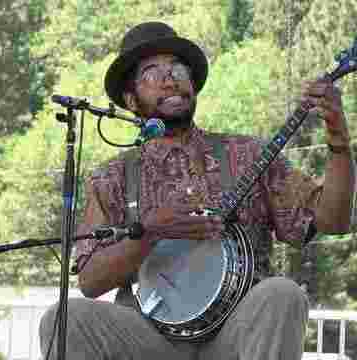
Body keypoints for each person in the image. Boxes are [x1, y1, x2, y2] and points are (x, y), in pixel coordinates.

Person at [39, 21, 355, 360]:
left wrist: (339, 141)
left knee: (283, 293)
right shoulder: (112, 177)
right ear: (131, 99)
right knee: (63, 319)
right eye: (151, 73)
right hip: (151, 338)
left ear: (193, 84)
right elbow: (90, 281)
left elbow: (332, 221)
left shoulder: (246, 153)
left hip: (237, 331)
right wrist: (150, 233)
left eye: (178, 68)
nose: (169, 78)